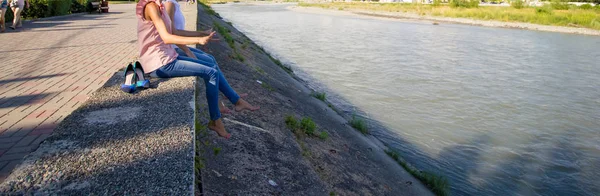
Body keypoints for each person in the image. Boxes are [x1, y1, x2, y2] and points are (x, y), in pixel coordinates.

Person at [137, 0, 258, 139]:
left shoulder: (159, 6)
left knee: (211, 67)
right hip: (158, 64)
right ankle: (215, 121)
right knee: (211, 72)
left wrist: (199, 36)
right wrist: (198, 40)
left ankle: (226, 107)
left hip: (168, 57)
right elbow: (167, 37)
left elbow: (171, 33)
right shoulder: (151, 7)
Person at [163, 0, 237, 113]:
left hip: (176, 46)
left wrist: (202, 33)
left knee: (210, 59)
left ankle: (228, 95)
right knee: (210, 68)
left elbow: (177, 31)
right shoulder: (169, 4)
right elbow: (172, 34)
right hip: (174, 49)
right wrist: (188, 49)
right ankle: (228, 99)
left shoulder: (173, 3)